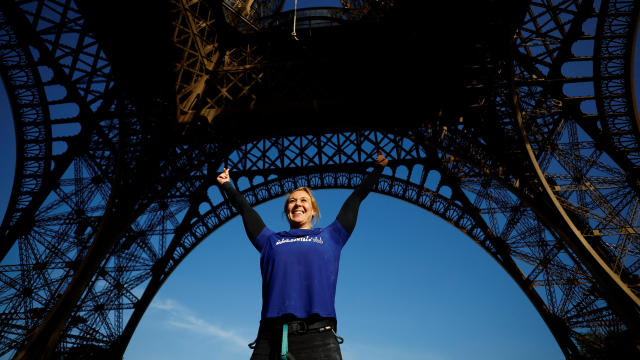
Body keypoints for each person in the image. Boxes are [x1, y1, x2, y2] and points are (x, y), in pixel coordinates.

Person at [217, 150, 388, 360]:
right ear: (287, 210)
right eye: (292, 201)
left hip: (318, 336)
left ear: (313, 210)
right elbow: (245, 210)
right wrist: (227, 185)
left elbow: (355, 199)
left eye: (304, 200)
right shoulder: (270, 240)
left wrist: (378, 169)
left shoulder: (331, 236)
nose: (297, 203)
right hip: (270, 337)